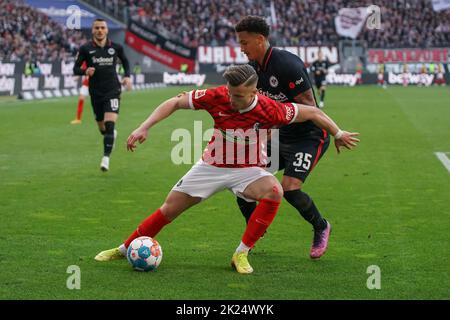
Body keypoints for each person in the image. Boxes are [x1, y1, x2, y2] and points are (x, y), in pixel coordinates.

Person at [94, 65, 359, 274]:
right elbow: (175, 101)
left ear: (254, 93)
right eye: (231, 93)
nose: (232, 100)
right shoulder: (218, 95)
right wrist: (144, 126)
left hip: (248, 170)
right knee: (169, 209)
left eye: (239, 96)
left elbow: (312, 113)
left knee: (274, 191)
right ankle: (124, 247)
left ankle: (241, 253)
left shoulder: (271, 109)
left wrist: (337, 132)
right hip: (211, 166)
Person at [235, 16, 332, 259]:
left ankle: (321, 226)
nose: (241, 48)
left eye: (244, 43)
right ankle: (254, 226)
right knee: (241, 179)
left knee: (290, 188)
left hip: (309, 136)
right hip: (280, 134)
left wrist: (273, 125)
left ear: (260, 40)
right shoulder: (253, 70)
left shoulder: (287, 64)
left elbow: (311, 108)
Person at [73, 18, 132, 171]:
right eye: (97, 28)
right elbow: (75, 69)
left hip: (113, 90)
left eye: (102, 27)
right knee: (102, 128)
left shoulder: (116, 47)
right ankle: (110, 135)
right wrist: (85, 71)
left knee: (109, 124)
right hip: (95, 92)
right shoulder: (85, 48)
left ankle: (105, 158)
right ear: (93, 30)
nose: (100, 30)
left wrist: (127, 76)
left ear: (107, 30)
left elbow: (125, 62)